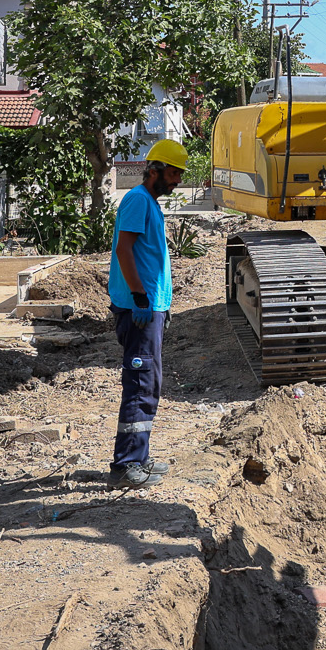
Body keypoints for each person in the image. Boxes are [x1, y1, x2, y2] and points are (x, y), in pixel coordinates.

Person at [109, 137, 188, 487]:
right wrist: (141, 298)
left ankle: (138, 457)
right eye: (173, 173)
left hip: (150, 309)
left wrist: (159, 305)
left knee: (150, 384)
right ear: (154, 170)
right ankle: (126, 465)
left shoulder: (150, 202)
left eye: (179, 174)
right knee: (141, 385)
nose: (177, 180)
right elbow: (124, 250)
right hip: (139, 309)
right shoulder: (138, 200)